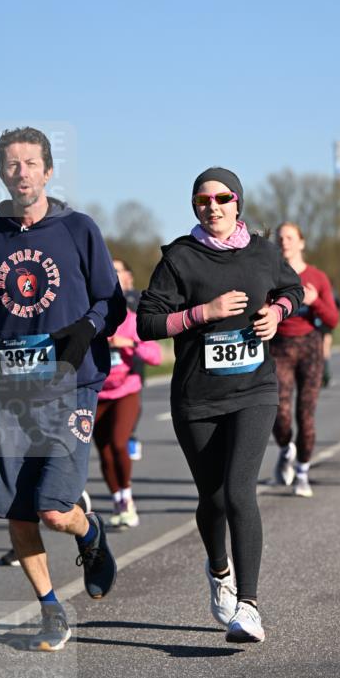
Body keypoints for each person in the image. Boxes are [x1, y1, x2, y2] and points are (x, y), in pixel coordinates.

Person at [0, 126, 125, 649]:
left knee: (52, 508)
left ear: (47, 170)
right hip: (11, 393)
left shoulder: (78, 229)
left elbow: (111, 303)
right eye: (11, 164)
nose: (21, 172)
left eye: (30, 163)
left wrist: (86, 328)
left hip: (71, 384)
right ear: (1, 172)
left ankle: (88, 532)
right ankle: (50, 608)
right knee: (19, 512)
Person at [137, 167, 302, 644]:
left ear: (238, 203)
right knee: (211, 498)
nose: (213, 206)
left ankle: (248, 607)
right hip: (197, 396)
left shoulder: (264, 253)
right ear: (195, 206)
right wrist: (201, 314)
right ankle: (218, 568)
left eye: (222, 198)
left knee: (237, 492)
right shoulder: (179, 259)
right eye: (202, 200)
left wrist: (276, 312)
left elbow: (294, 290)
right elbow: (147, 323)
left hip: (254, 390)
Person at [270, 222, 339, 497]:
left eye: (290, 237)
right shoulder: (270, 275)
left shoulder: (317, 277)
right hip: (279, 348)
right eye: (280, 238)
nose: (284, 242)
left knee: (306, 415)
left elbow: (333, 320)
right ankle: (287, 450)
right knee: (280, 413)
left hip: (310, 347)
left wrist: (314, 301)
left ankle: (302, 473)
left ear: (301, 242)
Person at [93, 304, 162, 527]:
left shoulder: (131, 321)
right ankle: (117, 500)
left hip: (126, 391)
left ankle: (127, 498)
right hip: (96, 394)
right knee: (104, 451)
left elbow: (155, 356)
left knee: (118, 442)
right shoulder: (89, 322)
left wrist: (130, 343)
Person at [113, 258, 144, 461]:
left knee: (132, 397)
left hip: (132, 355)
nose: (113, 274)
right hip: (109, 357)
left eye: (117, 270)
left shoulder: (137, 298)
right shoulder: (102, 297)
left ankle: (130, 435)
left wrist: (129, 341)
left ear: (128, 275)